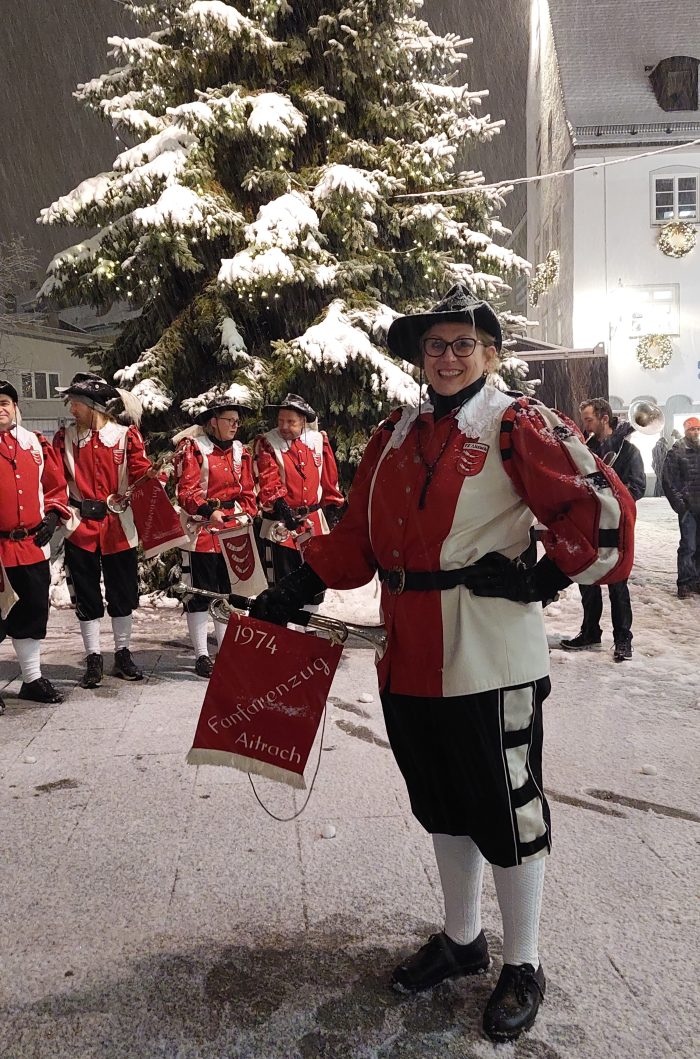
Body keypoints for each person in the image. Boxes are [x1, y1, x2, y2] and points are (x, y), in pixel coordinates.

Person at [249, 285, 636, 1043]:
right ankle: (464, 940)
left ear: (490, 354)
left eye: (464, 344)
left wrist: (543, 578)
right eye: (435, 346)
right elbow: (358, 533)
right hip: (408, 650)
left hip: (489, 647)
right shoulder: (397, 431)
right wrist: (294, 583)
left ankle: (523, 962)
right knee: (442, 800)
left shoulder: (517, 421)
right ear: (419, 358)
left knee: (505, 805)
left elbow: (601, 508)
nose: (449, 357)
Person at [53, 372, 155, 689]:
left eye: (75, 404)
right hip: (79, 526)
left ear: (92, 405)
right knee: (85, 595)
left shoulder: (125, 437)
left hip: (118, 527)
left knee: (122, 593)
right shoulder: (65, 438)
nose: (71, 410)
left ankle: (122, 653)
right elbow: (54, 480)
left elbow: (142, 476)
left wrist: (157, 476)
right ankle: (94, 657)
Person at [0, 381, 71, 713]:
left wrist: (53, 516)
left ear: (15, 406)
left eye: (5, 402)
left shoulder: (35, 443)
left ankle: (31, 679)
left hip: (31, 546)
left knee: (32, 613)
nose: (0, 408)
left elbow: (55, 485)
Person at [173, 398, 257, 676]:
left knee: (228, 594)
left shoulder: (240, 451)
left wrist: (246, 512)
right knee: (200, 594)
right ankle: (201, 655)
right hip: (202, 533)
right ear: (212, 421)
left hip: (233, 532)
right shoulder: (194, 448)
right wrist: (209, 511)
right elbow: (187, 491)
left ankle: (225, 651)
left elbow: (247, 490)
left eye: (237, 421)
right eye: (229, 420)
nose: (235, 425)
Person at [560, 398, 646, 661]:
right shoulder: (588, 450)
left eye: (588, 420)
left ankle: (623, 640)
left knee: (617, 584)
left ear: (604, 418)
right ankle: (590, 632)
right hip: (591, 523)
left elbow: (638, 486)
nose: (585, 425)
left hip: (616, 525)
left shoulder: (629, 452)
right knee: (588, 580)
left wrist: (611, 500)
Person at [253, 393, 345, 606]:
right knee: (285, 586)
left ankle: (309, 634)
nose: (284, 426)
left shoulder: (318, 441)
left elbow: (330, 479)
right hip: (282, 526)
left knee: (316, 582)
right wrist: (282, 508)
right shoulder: (268, 443)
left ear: (303, 421)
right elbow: (267, 480)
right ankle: (289, 634)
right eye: (280, 421)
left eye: (290, 422)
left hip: (313, 524)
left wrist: (334, 508)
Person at [661, 416, 700, 598]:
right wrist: (680, 506)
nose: (696, 432)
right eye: (692, 429)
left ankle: (696, 581)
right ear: (685, 431)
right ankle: (684, 583)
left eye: (698, 429)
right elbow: (668, 481)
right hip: (688, 508)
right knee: (688, 546)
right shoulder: (677, 452)